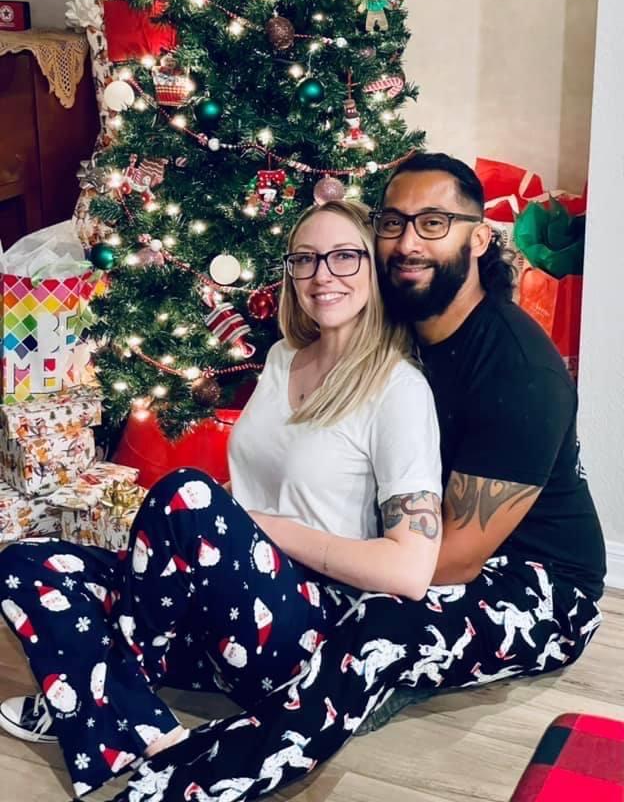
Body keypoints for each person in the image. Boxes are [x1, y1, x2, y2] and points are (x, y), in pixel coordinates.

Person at [86, 152, 605, 802]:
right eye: (393, 221)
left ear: (479, 238)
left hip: (537, 582)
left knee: (379, 623)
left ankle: (190, 781)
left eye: (434, 222)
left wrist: (277, 542)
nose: (407, 241)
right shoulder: (401, 328)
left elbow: (451, 562)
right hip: (414, 543)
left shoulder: (517, 372)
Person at [0, 199, 443, 797]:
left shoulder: (399, 389)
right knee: (26, 559)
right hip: (208, 616)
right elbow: (256, 485)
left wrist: (251, 524)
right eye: (306, 259)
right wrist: (218, 520)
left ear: (373, 268)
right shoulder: (286, 357)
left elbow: (411, 571)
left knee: (185, 491)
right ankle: (147, 728)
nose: (322, 275)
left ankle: (93, 692)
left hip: (292, 628)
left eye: (345, 256)